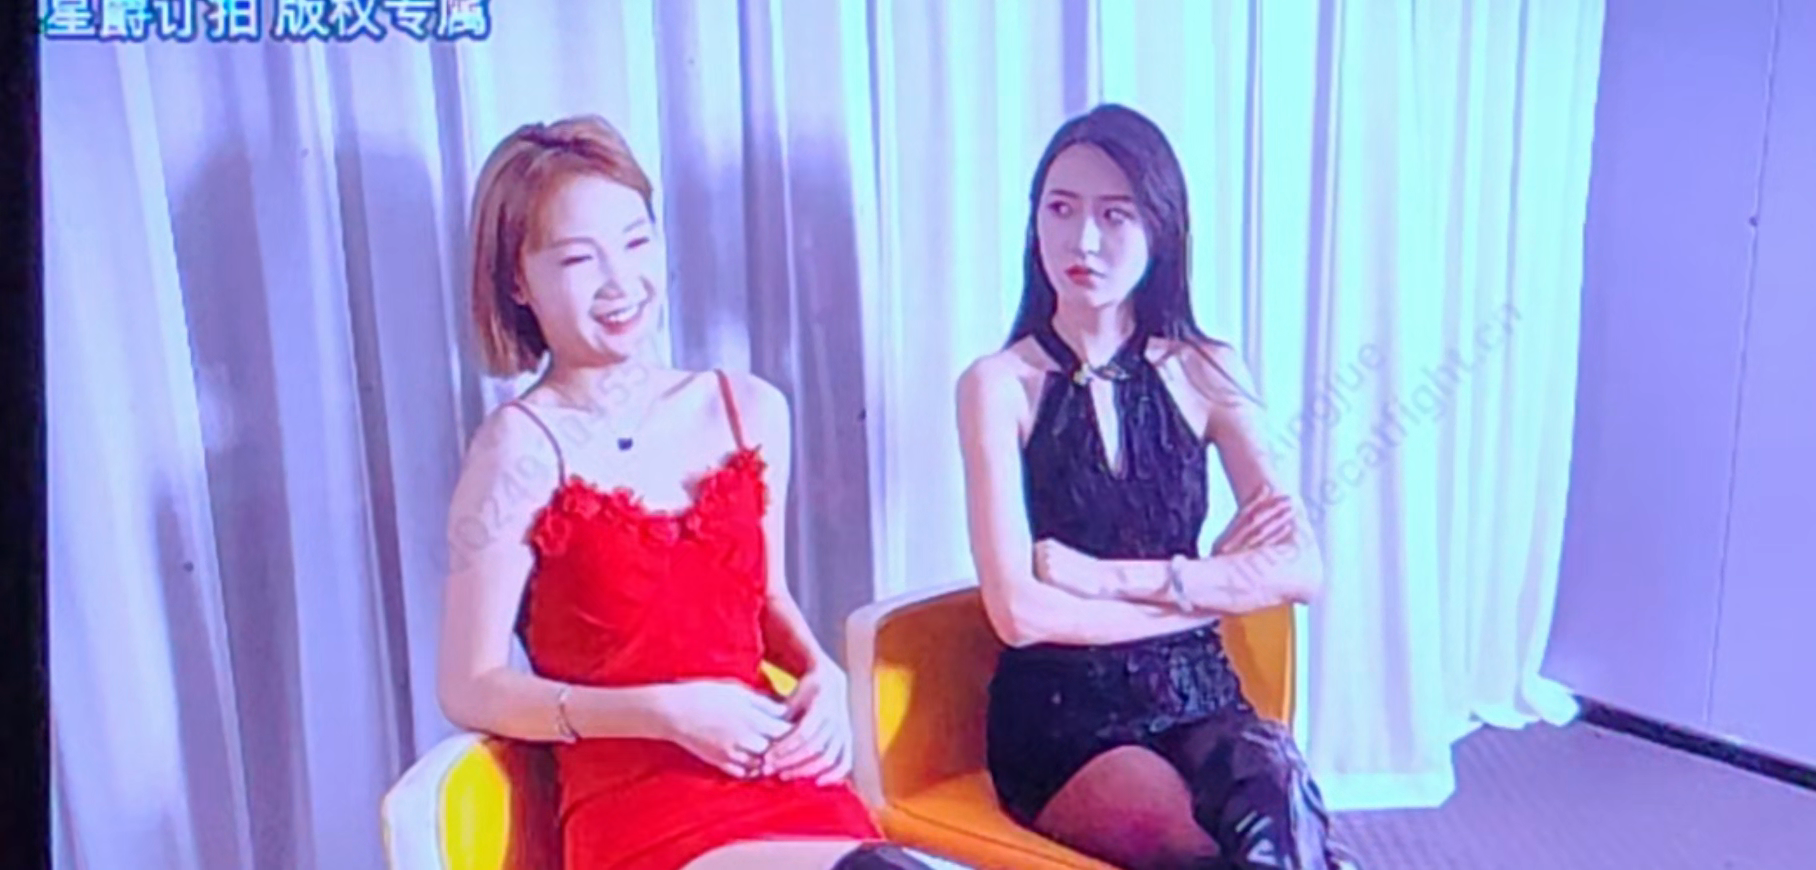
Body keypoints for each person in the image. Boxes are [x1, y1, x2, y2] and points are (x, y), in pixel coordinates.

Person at [434, 115, 932, 870]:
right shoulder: (516, 450)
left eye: (637, 242)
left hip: (786, 780)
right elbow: (469, 686)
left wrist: (821, 674)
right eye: (579, 259)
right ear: (517, 281)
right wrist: (665, 711)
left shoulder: (748, 407)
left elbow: (764, 599)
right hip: (642, 812)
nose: (620, 283)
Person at [955, 104, 1358, 870]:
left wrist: (1109, 581)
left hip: (1200, 690)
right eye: (1061, 209)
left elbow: (1301, 568)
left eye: (1116, 215)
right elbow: (1020, 613)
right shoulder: (997, 385)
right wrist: (1205, 594)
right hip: (1067, 714)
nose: (1082, 241)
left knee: (1276, 792)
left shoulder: (1207, 370)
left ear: (1162, 229)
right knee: (1194, 851)